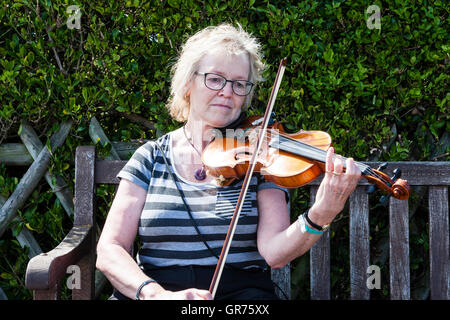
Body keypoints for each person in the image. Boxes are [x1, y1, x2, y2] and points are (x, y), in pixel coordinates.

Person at [96, 23, 361, 300]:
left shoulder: (260, 158)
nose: (227, 92)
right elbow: (110, 248)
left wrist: (320, 215)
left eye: (239, 84)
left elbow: (274, 253)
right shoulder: (151, 157)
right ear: (188, 83)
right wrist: (154, 294)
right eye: (215, 79)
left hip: (240, 295)